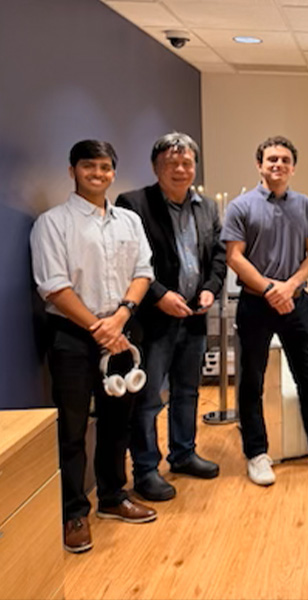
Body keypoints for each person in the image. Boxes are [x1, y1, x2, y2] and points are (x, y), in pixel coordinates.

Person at [31, 140, 157, 553]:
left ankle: (112, 497)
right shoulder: (52, 223)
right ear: (72, 171)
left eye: (105, 167)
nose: (98, 174)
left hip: (121, 328)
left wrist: (119, 318)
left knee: (117, 419)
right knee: (71, 428)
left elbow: (143, 272)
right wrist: (97, 327)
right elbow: (52, 285)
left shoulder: (128, 222)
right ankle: (73, 513)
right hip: (72, 335)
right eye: (89, 167)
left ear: (113, 173)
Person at [221, 135, 308, 486]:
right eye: (271, 159)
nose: (278, 165)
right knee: (252, 380)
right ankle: (256, 454)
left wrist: (290, 286)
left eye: (285, 160)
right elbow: (234, 256)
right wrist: (270, 288)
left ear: (293, 167)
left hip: (296, 302)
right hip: (256, 303)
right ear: (259, 164)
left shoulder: (305, 205)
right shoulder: (240, 207)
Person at [116, 132, 226, 502]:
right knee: (147, 398)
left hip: (194, 316)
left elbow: (219, 256)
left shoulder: (207, 207)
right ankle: (146, 470)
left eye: (186, 163)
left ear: (195, 166)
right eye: (171, 163)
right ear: (155, 167)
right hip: (154, 320)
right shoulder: (133, 204)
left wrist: (210, 287)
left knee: (187, 392)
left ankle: (183, 453)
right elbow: (128, 263)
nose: (180, 169)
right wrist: (160, 296)